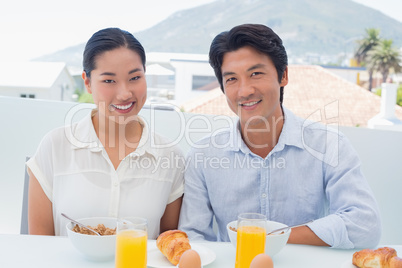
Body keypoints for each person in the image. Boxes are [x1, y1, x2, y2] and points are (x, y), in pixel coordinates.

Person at [178, 24, 381, 249]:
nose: (244, 91)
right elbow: (192, 237)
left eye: (255, 73)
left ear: (283, 75)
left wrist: (268, 238)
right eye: (232, 79)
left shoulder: (329, 144)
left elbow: (365, 225)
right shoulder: (203, 156)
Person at [27, 28, 184, 238]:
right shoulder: (55, 146)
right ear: (87, 82)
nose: (125, 93)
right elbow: (39, 245)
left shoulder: (170, 156)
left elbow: (167, 246)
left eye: (135, 77)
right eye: (109, 81)